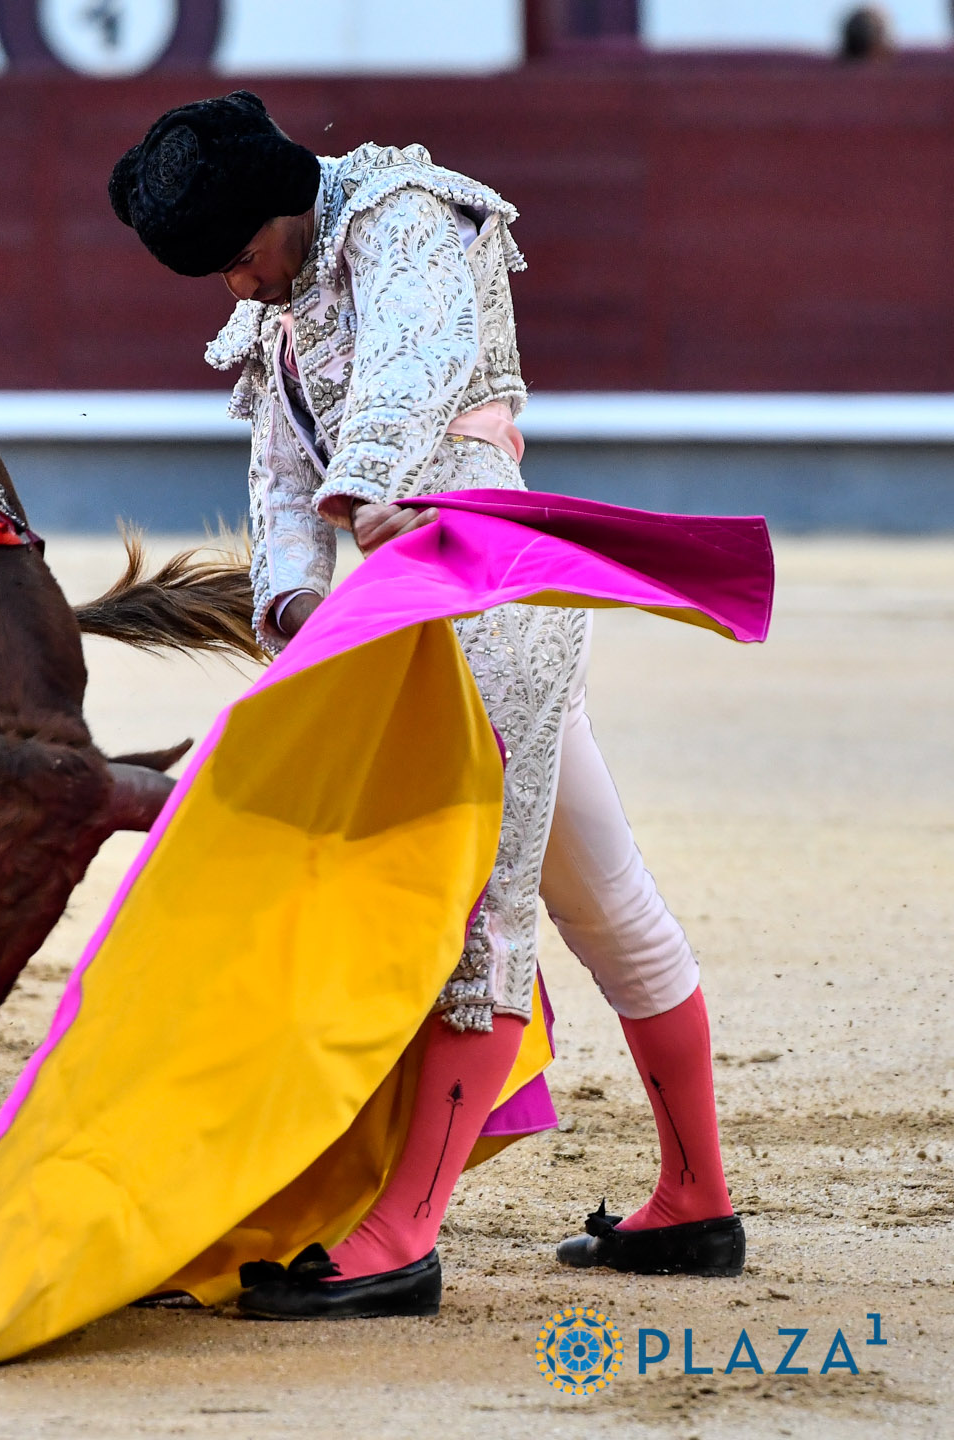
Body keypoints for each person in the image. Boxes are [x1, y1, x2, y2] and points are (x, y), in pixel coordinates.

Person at [108, 92, 743, 1319]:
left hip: (487, 589)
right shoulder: (283, 309)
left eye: (241, 256)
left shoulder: (404, 213)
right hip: (398, 616)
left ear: (282, 206)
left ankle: (401, 1236)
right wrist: (299, 603)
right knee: (606, 903)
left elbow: (415, 359)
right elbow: (280, 475)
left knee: (478, 922)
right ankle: (694, 1201)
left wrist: (366, 485)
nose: (239, 286)